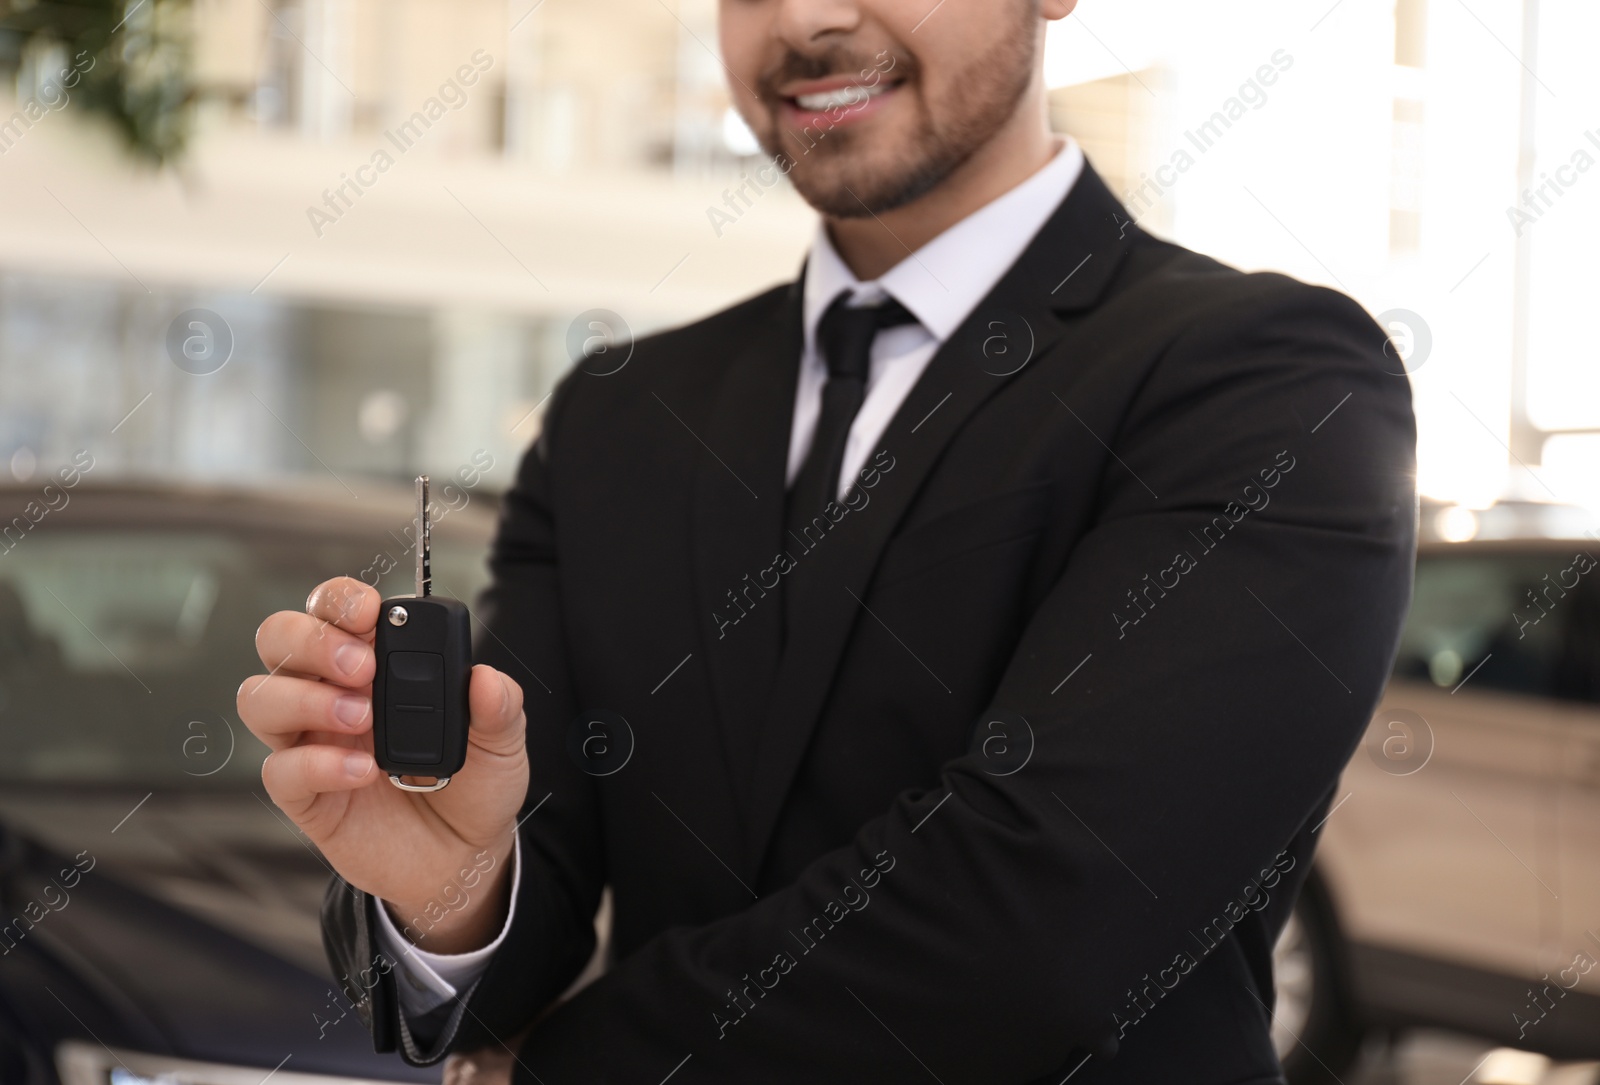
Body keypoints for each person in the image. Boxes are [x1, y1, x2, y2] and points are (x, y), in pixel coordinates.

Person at [240, 0, 1417, 1081]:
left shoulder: (1267, 382)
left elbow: (1043, 923)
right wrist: (446, 891)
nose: (805, 18)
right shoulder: (621, 416)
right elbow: (528, 900)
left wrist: (569, 1071)